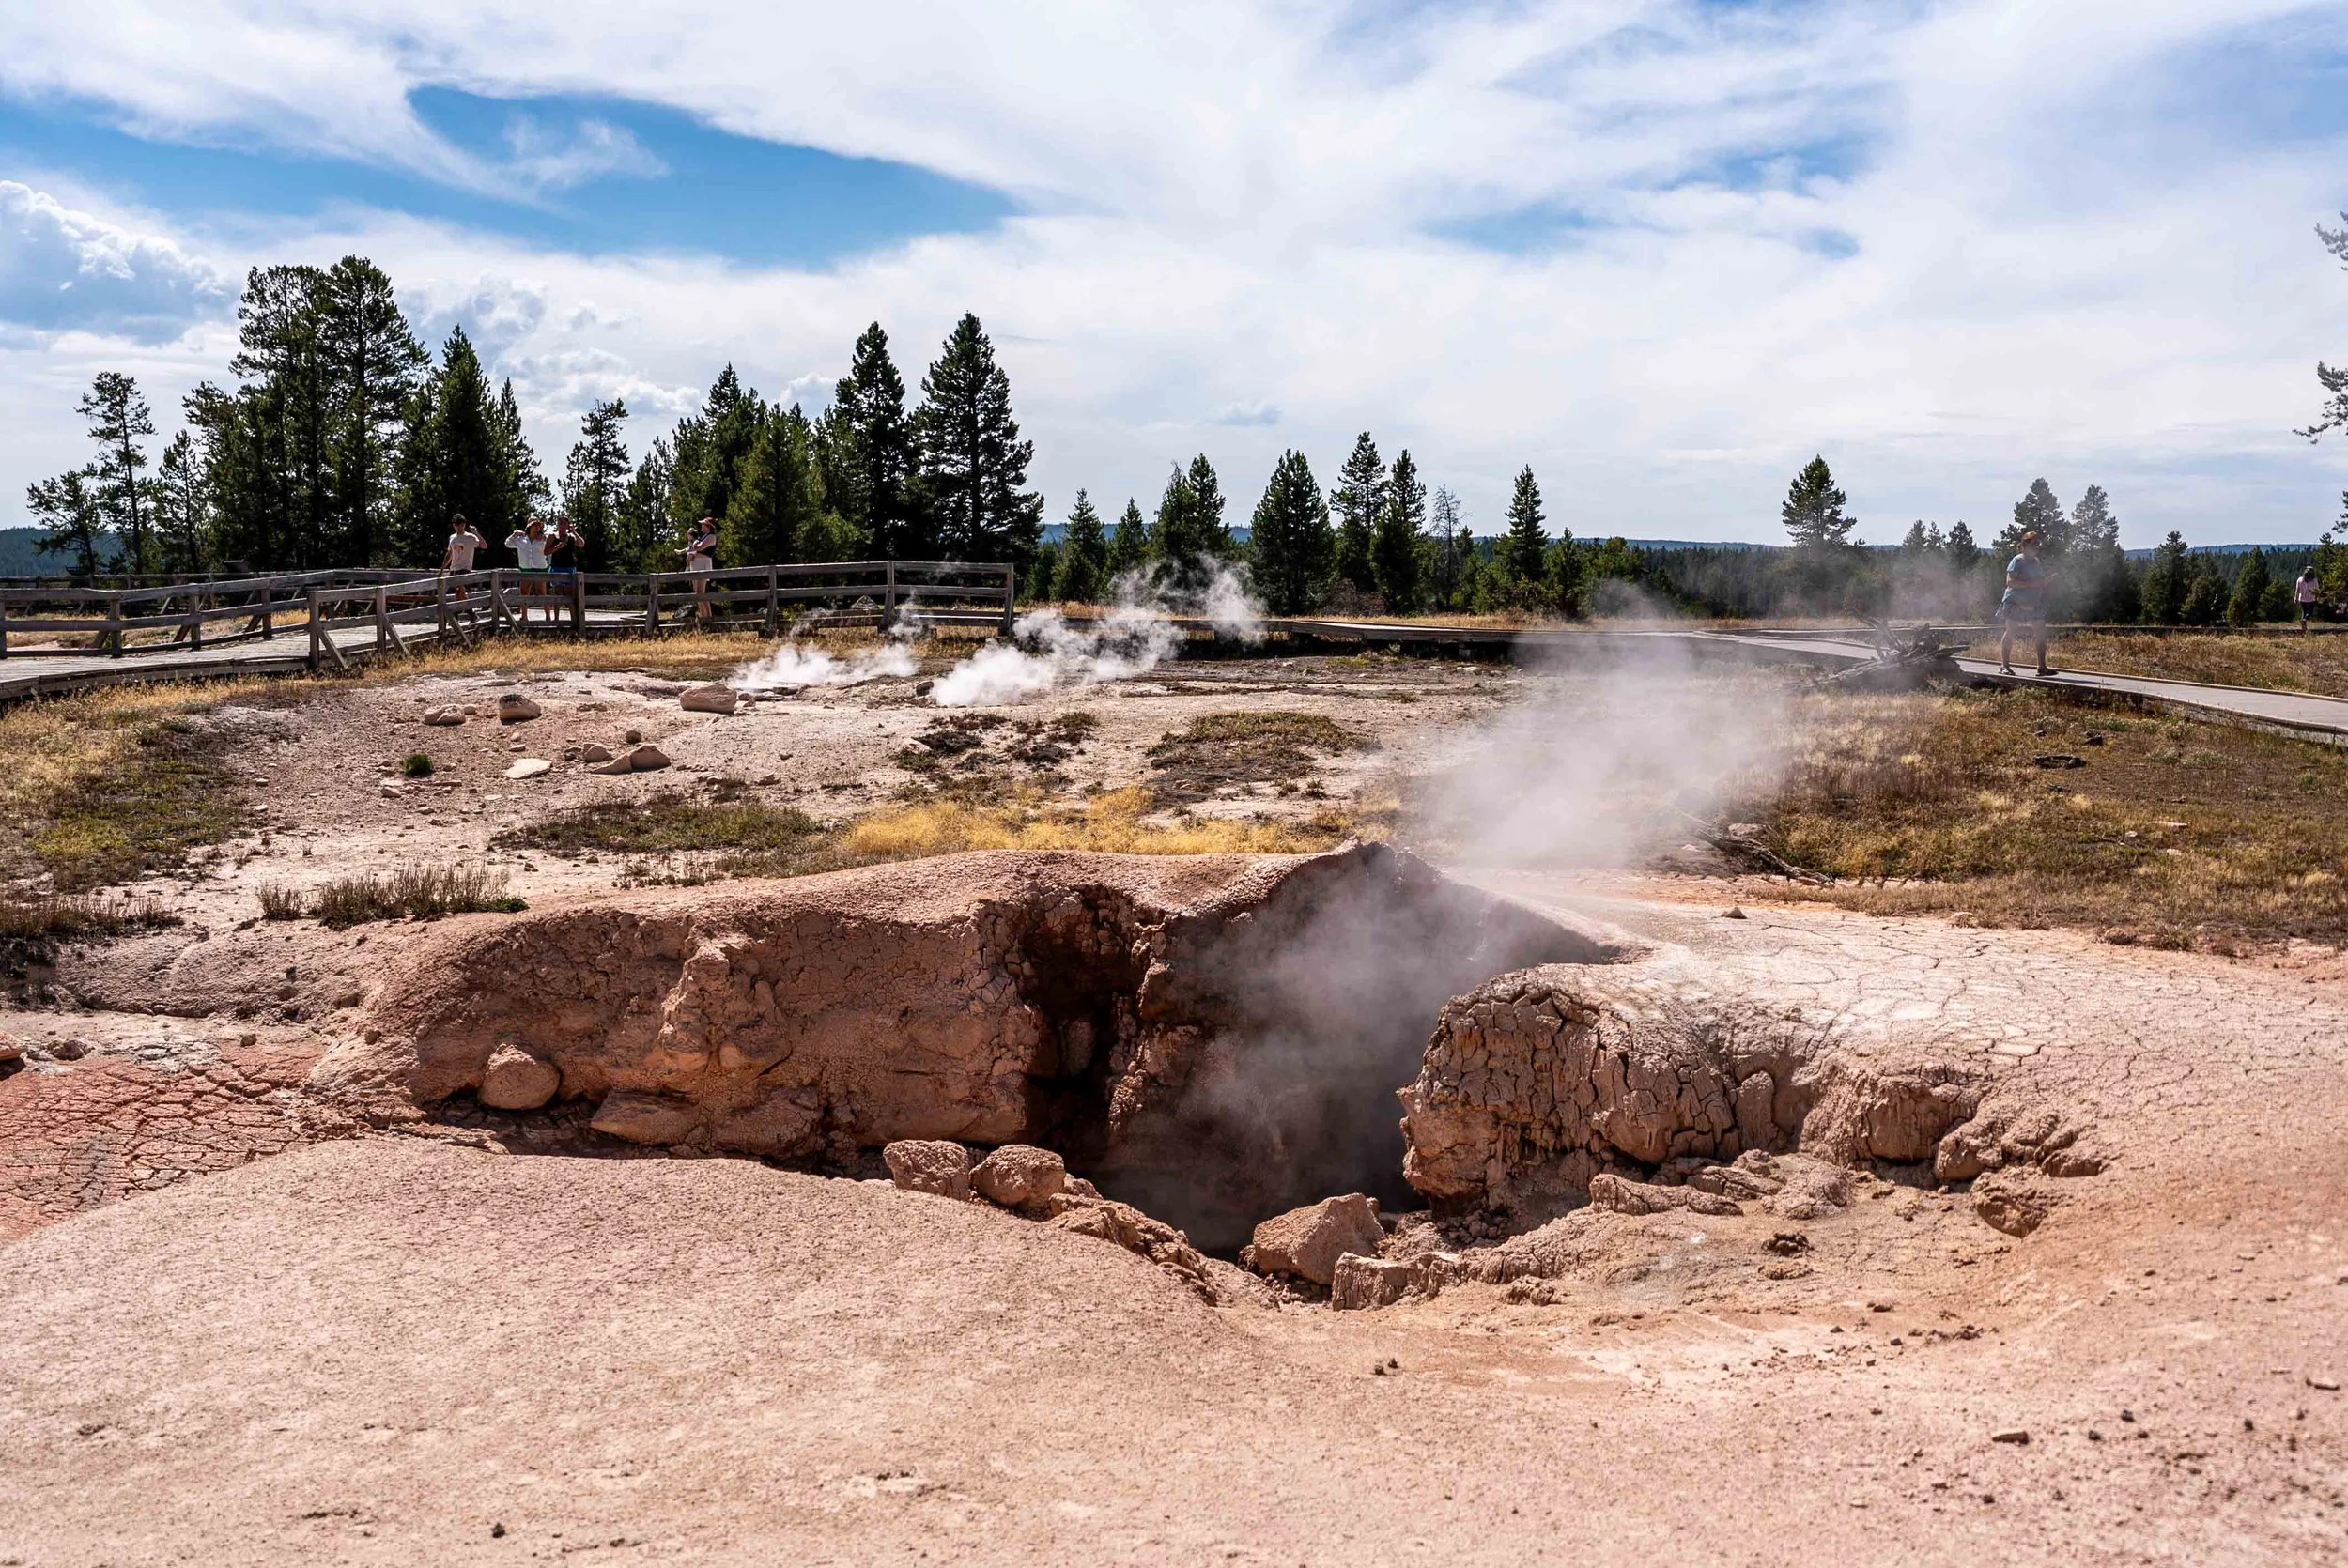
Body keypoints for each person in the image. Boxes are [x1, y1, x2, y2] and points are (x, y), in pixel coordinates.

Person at [1998, 530, 2051, 678]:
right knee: (2011, 631)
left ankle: (2042, 668)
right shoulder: (2018, 560)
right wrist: (2035, 584)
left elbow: (2037, 581)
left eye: (2038, 544)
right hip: (2016, 602)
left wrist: (2044, 583)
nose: (2037, 547)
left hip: (2033, 603)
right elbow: (2010, 582)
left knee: (2040, 632)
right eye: (2034, 544)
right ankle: (2004, 666)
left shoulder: (2036, 561)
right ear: (2025, 544)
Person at [506, 515, 550, 623]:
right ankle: (524, 616)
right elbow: (507, 543)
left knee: (542, 593)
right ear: (528, 526)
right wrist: (515, 534)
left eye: (537, 524)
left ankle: (548, 616)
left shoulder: (543, 539)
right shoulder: (521, 539)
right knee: (524, 592)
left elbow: (552, 541)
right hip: (525, 569)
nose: (535, 526)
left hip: (540, 569)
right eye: (532, 524)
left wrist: (543, 534)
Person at [544, 515, 584, 625]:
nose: (562, 525)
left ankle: (574, 620)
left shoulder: (571, 537)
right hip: (556, 567)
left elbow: (581, 544)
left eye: (564, 523)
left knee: (570, 594)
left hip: (569, 567)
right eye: (560, 523)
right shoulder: (552, 536)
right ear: (557, 525)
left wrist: (574, 531)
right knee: (557, 594)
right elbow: (545, 552)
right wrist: (557, 547)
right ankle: (556, 620)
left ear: (567, 525)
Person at [686, 516, 719, 627]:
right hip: (697, 564)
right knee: (697, 593)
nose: (701, 526)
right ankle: (703, 616)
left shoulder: (711, 537)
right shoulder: (704, 536)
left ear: (708, 526)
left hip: (703, 563)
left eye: (703, 525)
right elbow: (696, 546)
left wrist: (695, 545)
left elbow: (699, 547)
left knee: (701, 592)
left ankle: (708, 617)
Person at [2296, 565, 2322, 632]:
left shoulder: (2300, 579)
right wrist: (2317, 598)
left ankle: (2303, 627)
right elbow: (2317, 590)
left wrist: (2295, 598)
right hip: (2311, 599)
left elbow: (2297, 589)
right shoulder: (2314, 580)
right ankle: (2304, 621)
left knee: (2304, 612)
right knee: (2309, 612)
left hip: (2302, 599)